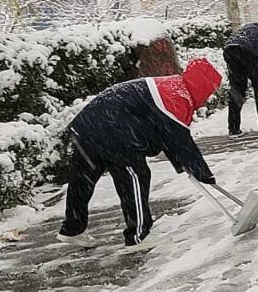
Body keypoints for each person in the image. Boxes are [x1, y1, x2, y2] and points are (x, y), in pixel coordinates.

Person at [56, 58, 224, 251]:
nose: (208, 97)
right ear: (202, 86)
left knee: (84, 176)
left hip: (87, 125)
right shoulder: (178, 97)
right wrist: (203, 173)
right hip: (114, 129)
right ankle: (138, 236)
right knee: (134, 176)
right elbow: (180, 141)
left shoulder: (172, 85)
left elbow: (167, 135)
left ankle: (73, 228)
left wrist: (184, 165)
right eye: (210, 90)